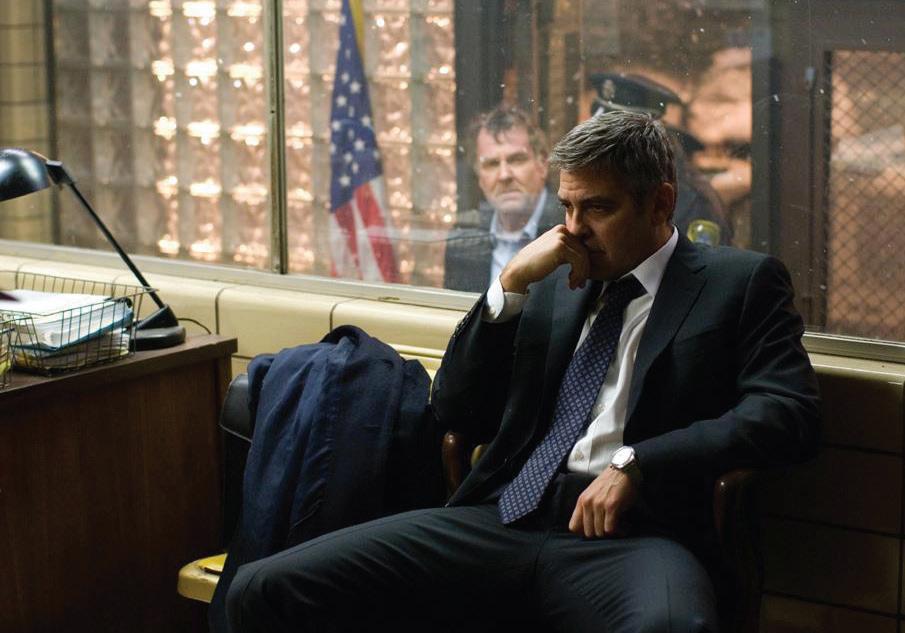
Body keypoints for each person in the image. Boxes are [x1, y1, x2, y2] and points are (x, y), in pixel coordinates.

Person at [226, 111, 820, 633]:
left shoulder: (738, 283)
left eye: (598, 208)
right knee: (262, 590)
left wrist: (639, 462)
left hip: (634, 535)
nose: (574, 228)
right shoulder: (553, 277)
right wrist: (508, 287)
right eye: (566, 206)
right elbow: (455, 408)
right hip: (506, 515)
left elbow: (787, 413)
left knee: (673, 627)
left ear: (661, 203)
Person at [589, 72, 732, 244]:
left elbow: (699, 260)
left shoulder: (693, 202)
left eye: (612, 139)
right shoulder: (608, 185)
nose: (601, 148)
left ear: (647, 137)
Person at [444, 105, 563, 292]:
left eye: (516, 160)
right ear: (479, 177)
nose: (504, 175)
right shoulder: (462, 240)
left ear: (542, 164)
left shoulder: (570, 230)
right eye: (491, 164)